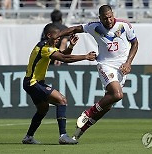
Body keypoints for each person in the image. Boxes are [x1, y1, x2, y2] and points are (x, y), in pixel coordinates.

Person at [52, 4, 138, 141]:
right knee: (117, 94)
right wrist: (58, 35)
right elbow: (75, 28)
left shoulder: (124, 25)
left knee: (107, 106)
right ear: (100, 18)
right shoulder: (94, 26)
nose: (109, 20)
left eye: (110, 17)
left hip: (122, 67)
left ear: (113, 14)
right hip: (105, 64)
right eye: (105, 18)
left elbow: (135, 43)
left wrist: (128, 63)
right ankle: (88, 112)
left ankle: (80, 132)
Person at [22, 23, 96, 144]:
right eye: (57, 36)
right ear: (49, 35)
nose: (59, 38)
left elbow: (63, 54)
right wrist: (86, 56)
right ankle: (63, 135)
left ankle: (28, 137)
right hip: (33, 83)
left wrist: (71, 45)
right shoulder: (45, 48)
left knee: (42, 110)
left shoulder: (48, 47)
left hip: (32, 83)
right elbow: (65, 59)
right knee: (61, 100)